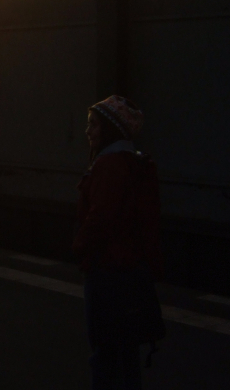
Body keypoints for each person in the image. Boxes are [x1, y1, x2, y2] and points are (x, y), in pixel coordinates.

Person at [74, 96, 163, 390]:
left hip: (106, 268)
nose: (88, 131)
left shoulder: (109, 165)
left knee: (104, 351)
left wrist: (79, 248)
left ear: (110, 129)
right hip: (129, 267)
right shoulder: (133, 161)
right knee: (125, 350)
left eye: (94, 125)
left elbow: (101, 217)